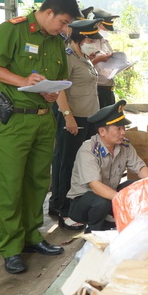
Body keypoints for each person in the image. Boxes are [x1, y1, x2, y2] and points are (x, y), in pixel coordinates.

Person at [0, 0, 81, 274]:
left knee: (38, 182)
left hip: (43, 119)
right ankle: (11, 247)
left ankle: (31, 236)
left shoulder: (55, 41)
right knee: (11, 185)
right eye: (62, 22)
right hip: (15, 121)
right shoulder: (13, 30)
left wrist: (52, 94)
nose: (64, 29)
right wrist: (22, 79)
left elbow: (58, 79)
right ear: (48, 12)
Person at [67, 100, 148, 233]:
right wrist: (122, 199)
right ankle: (93, 230)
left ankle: (112, 220)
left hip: (109, 195)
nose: (123, 132)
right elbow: (95, 187)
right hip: (83, 203)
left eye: (124, 128)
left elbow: (141, 168)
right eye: (118, 128)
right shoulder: (88, 150)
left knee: (138, 186)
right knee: (102, 202)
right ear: (102, 131)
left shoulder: (124, 146)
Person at [49, 18, 103, 231]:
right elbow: (60, 89)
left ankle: (68, 204)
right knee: (67, 163)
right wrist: (68, 116)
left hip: (88, 118)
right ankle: (63, 209)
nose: (93, 43)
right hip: (74, 119)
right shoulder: (68, 57)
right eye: (90, 39)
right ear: (79, 38)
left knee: (80, 164)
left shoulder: (84, 57)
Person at [89, 8, 120, 108]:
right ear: (97, 24)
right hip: (98, 89)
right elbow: (84, 65)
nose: (106, 31)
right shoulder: (89, 42)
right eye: (105, 28)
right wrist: (98, 59)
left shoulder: (105, 41)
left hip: (108, 89)